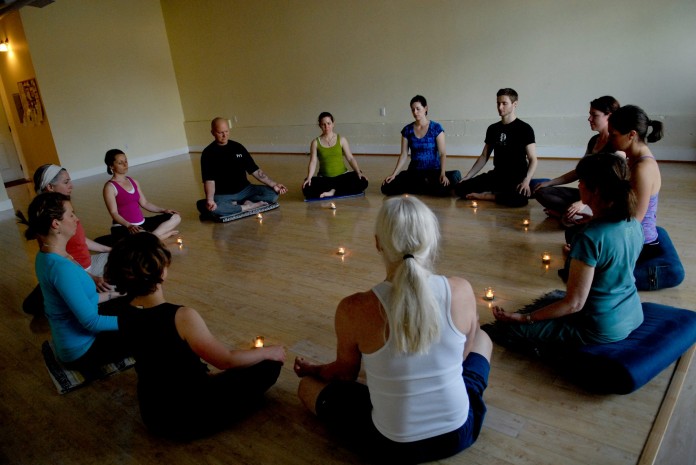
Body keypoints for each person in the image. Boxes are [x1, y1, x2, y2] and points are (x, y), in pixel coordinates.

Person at [294, 196, 492, 464]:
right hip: (459, 432)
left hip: (394, 447)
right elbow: (462, 358)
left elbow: (345, 374)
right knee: (483, 338)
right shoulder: (461, 289)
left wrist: (315, 370)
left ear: (378, 243)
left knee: (307, 388)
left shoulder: (354, 308)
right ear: (432, 240)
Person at [104, 233, 286, 439]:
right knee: (268, 365)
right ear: (162, 272)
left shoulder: (120, 311)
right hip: (189, 417)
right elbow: (225, 360)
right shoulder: (181, 316)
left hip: (154, 416)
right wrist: (269, 351)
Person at [484, 153, 643, 352]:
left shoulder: (590, 237)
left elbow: (574, 304)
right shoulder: (633, 223)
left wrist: (524, 318)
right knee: (552, 303)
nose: (578, 186)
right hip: (633, 313)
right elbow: (610, 267)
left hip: (601, 327)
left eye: (582, 181)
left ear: (596, 190)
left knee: (510, 330)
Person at [25, 192, 129, 372]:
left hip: (74, 340)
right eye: (71, 214)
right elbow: (92, 322)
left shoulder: (47, 255)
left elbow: (84, 300)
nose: (77, 219)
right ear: (56, 224)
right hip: (82, 352)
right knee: (148, 330)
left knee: (129, 300)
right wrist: (136, 322)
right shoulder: (60, 268)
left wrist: (115, 294)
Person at [20, 164, 115, 315]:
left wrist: (107, 249)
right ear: (50, 187)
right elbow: (63, 259)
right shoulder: (49, 222)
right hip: (79, 272)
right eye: (66, 182)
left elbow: (80, 239)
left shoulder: (63, 208)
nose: (71, 186)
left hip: (83, 266)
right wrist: (93, 279)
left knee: (117, 247)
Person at [534, 96, 620, 222]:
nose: (589, 119)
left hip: (602, 199)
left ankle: (570, 215)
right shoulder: (593, 141)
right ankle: (571, 215)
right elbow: (580, 171)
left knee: (573, 220)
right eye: (589, 114)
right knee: (541, 192)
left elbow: (611, 185)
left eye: (594, 115)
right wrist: (550, 182)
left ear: (609, 116)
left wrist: (583, 203)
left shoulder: (616, 145)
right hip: (586, 194)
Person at [454, 88, 538, 207]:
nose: (500, 107)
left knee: (520, 199)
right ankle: (498, 193)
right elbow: (484, 156)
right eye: (498, 103)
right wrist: (468, 176)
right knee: (460, 188)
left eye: (504, 103)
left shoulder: (525, 129)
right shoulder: (493, 129)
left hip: (516, 177)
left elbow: (533, 159)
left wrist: (526, 181)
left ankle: (488, 196)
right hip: (497, 175)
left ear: (515, 104)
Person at [196, 117, 288, 219]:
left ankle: (237, 204)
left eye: (226, 131)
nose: (224, 135)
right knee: (215, 209)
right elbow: (209, 181)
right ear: (212, 132)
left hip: (245, 190)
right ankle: (247, 206)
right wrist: (210, 200)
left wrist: (274, 184)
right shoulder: (208, 153)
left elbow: (255, 170)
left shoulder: (238, 147)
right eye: (220, 132)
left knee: (273, 194)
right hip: (224, 194)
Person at [381, 95, 461, 197]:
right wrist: (394, 174)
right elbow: (404, 154)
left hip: (433, 172)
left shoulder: (436, 128)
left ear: (426, 108)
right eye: (413, 110)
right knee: (386, 187)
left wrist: (443, 173)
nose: (415, 112)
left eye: (418, 109)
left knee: (442, 186)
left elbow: (442, 153)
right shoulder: (407, 130)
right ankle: (424, 187)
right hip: (414, 173)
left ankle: (450, 176)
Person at [103, 149, 181, 240]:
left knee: (176, 217)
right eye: (120, 163)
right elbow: (114, 213)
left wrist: (164, 210)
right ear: (111, 166)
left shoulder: (133, 181)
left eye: (126, 161)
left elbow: (145, 203)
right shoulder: (109, 187)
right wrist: (129, 225)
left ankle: (153, 237)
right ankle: (156, 237)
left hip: (142, 223)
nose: (125, 165)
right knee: (141, 236)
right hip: (124, 226)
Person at [302, 112, 368, 199]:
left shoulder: (342, 139)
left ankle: (333, 192)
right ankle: (338, 191)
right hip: (325, 178)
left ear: (333, 124)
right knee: (307, 187)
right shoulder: (315, 142)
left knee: (362, 181)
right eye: (323, 124)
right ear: (320, 126)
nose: (326, 127)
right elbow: (313, 161)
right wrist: (309, 178)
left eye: (329, 123)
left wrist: (358, 172)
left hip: (342, 177)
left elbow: (350, 158)